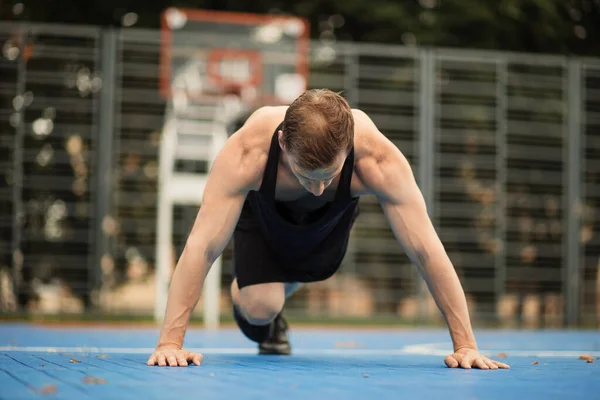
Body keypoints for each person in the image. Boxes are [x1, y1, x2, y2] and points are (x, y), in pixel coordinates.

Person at [147, 89, 510, 370]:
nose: (319, 189)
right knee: (261, 307)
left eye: (330, 177)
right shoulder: (247, 152)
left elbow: (426, 249)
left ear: (349, 147)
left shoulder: (377, 159)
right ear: (282, 143)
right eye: (307, 177)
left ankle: (294, 270)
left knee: (318, 268)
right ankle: (257, 297)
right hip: (262, 217)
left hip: (327, 228)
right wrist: (170, 343)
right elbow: (202, 246)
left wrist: (465, 346)